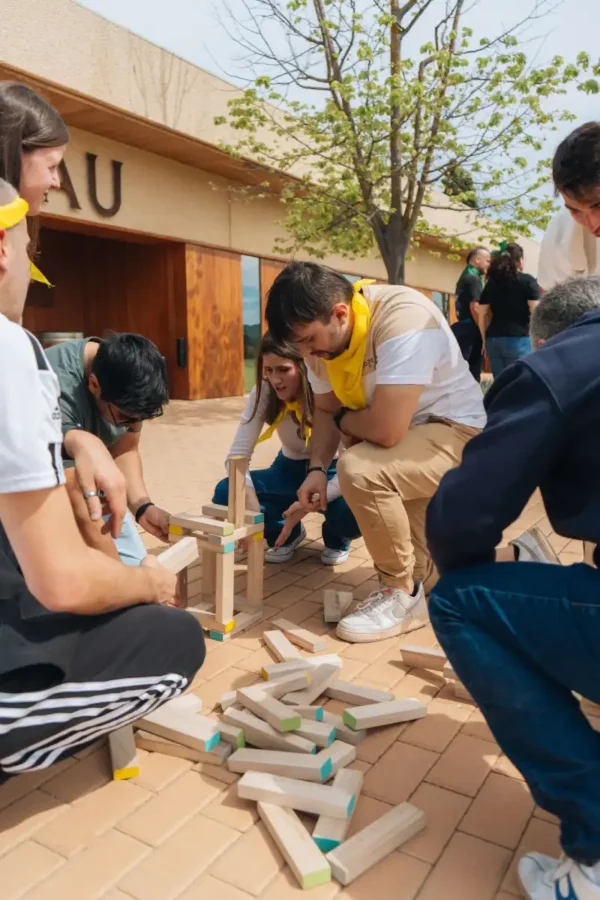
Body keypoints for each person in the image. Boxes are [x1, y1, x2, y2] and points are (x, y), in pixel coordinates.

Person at [426, 275, 600, 900]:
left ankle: (595, 848)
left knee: (459, 604)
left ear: (542, 339)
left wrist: (471, 565)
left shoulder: (557, 368)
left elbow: (462, 516)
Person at [265, 262, 487, 643]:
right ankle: (516, 556)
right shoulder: (321, 344)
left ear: (339, 313)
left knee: (360, 467)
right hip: (405, 443)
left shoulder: (403, 318)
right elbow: (325, 410)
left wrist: (347, 423)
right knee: (428, 570)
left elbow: (384, 429)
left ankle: (398, 592)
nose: (306, 353)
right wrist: (316, 468)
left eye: (307, 340)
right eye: (298, 345)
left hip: (459, 435)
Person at [213, 332, 360, 565]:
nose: (275, 379)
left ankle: (337, 538)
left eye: (283, 369)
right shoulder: (264, 391)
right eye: (268, 370)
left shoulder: (330, 393)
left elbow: (352, 465)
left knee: (351, 512)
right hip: (287, 469)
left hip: (330, 471)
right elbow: (237, 455)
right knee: (227, 492)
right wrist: (250, 507)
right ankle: (285, 533)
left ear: (304, 367)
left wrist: (305, 504)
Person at [46, 332, 171, 566]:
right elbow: (68, 487)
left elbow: (126, 449)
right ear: (94, 384)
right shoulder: (51, 379)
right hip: (40, 496)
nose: (133, 426)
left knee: (135, 569)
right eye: (125, 418)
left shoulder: (128, 378)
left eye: (139, 419)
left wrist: (143, 507)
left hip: (94, 495)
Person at [538, 122, 600, 290]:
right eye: (576, 210)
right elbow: (555, 308)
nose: (593, 224)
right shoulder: (560, 235)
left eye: (598, 205)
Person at [478, 242, 540, 377]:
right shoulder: (527, 280)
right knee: (520, 384)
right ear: (520, 261)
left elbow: (481, 314)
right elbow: (535, 311)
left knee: (500, 385)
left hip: (494, 340)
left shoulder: (492, 282)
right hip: (519, 339)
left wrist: (484, 340)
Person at [451, 246, 491, 382]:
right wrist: (483, 332)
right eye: (488, 261)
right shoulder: (473, 279)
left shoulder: (465, 276)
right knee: (471, 375)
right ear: (478, 259)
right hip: (471, 331)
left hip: (463, 328)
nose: (489, 264)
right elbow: (475, 308)